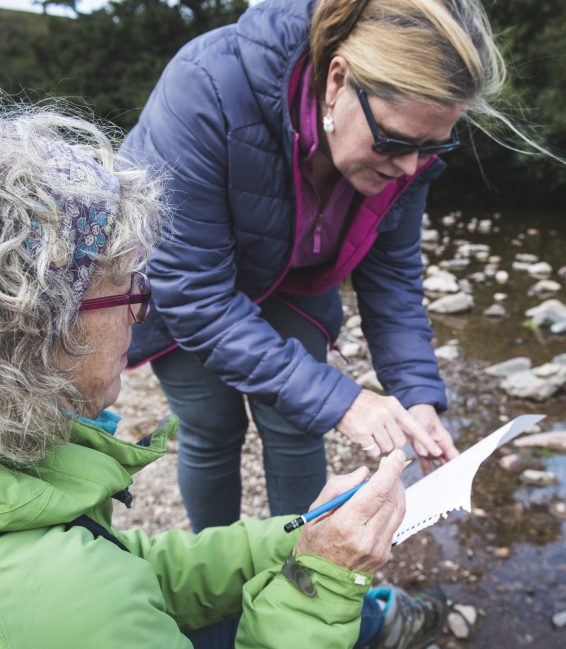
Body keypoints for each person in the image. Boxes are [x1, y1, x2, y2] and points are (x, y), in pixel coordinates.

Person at [0, 67, 445, 649]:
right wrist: (325, 579)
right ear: (41, 328)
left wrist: (303, 540)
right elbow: (96, 587)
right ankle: (380, 630)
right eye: (128, 290)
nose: (143, 311)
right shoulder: (68, 602)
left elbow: (130, 563)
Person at [122, 0, 537, 532]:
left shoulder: (407, 154)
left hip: (294, 281)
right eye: (395, 141)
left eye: (432, 147)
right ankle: (214, 578)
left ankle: (302, 578)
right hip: (184, 282)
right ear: (337, 81)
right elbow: (194, 293)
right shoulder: (205, 86)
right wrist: (344, 400)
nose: (410, 167)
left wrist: (417, 394)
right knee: (210, 426)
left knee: (299, 424)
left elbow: (392, 278)